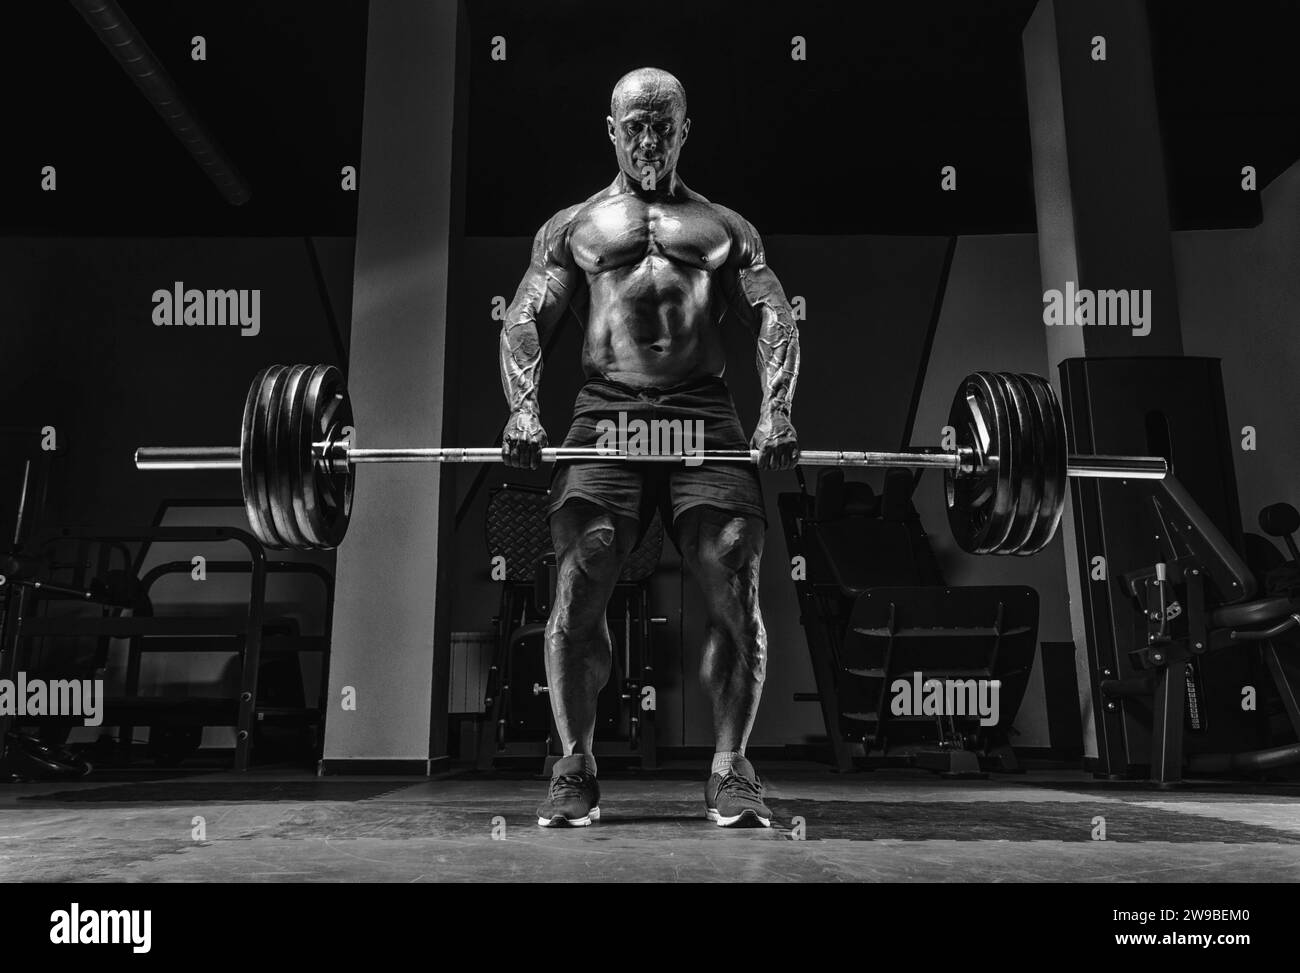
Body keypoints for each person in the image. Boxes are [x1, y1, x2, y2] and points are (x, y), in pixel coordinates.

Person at [498, 67, 800, 828]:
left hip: (702, 410)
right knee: (584, 569)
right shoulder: (575, 226)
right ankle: (575, 764)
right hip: (607, 410)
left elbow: (773, 317)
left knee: (732, 568)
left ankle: (731, 771)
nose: (648, 139)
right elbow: (526, 318)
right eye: (633, 125)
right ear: (611, 130)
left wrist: (778, 410)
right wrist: (524, 412)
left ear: (685, 128)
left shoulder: (724, 227)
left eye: (662, 124)